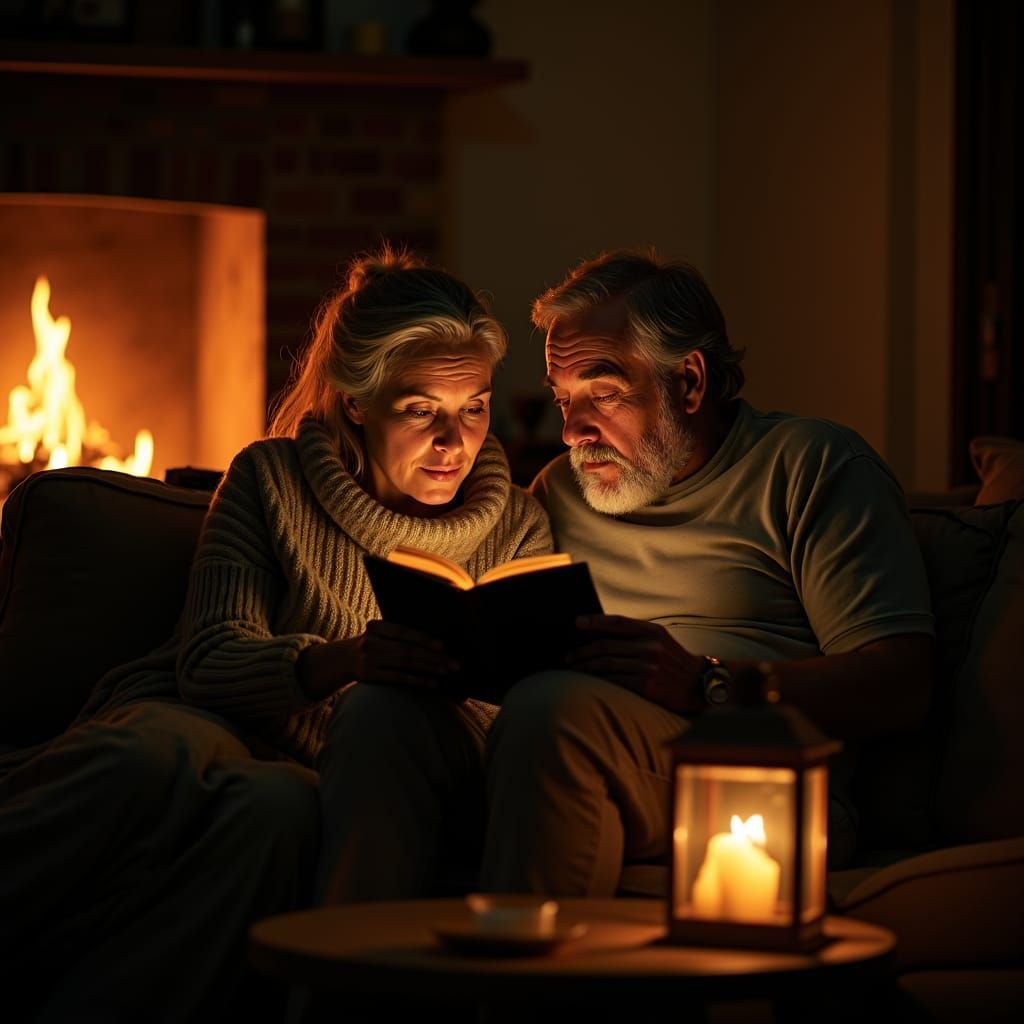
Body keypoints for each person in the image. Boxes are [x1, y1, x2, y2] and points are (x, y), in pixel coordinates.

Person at [0, 244, 552, 1022]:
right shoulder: (271, 479)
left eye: (474, 408)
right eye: (420, 409)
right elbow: (207, 661)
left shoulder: (520, 528)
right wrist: (344, 660)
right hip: (202, 715)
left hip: (316, 770)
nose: (454, 441)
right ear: (356, 403)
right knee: (149, 755)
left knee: (274, 818)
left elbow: (506, 722)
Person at [476, 247, 936, 896]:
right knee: (385, 720)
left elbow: (903, 683)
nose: (573, 431)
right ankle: (359, 955)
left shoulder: (811, 466)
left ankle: (521, 955)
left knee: (550, 713)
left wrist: (707, 682)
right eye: (562, 398)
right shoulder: (560, 491)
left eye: (603, 394)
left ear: (689, 382)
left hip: (749, 773)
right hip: (575, 747)